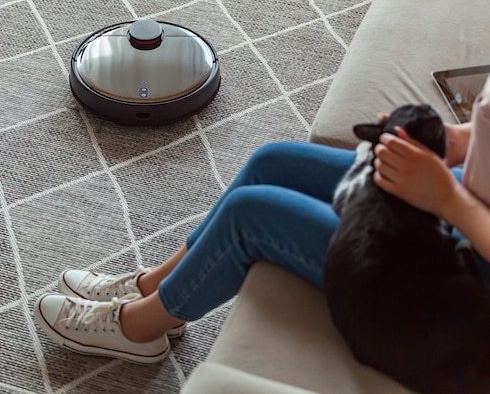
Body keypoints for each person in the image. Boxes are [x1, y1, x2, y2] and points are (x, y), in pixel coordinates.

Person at [33, 118, 490, 364]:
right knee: (273, 162)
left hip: (459, 283)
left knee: (249, 215)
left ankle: (140, 328)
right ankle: (155, 285)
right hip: (462, 204)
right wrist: (453, 139)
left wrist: (447, 198)